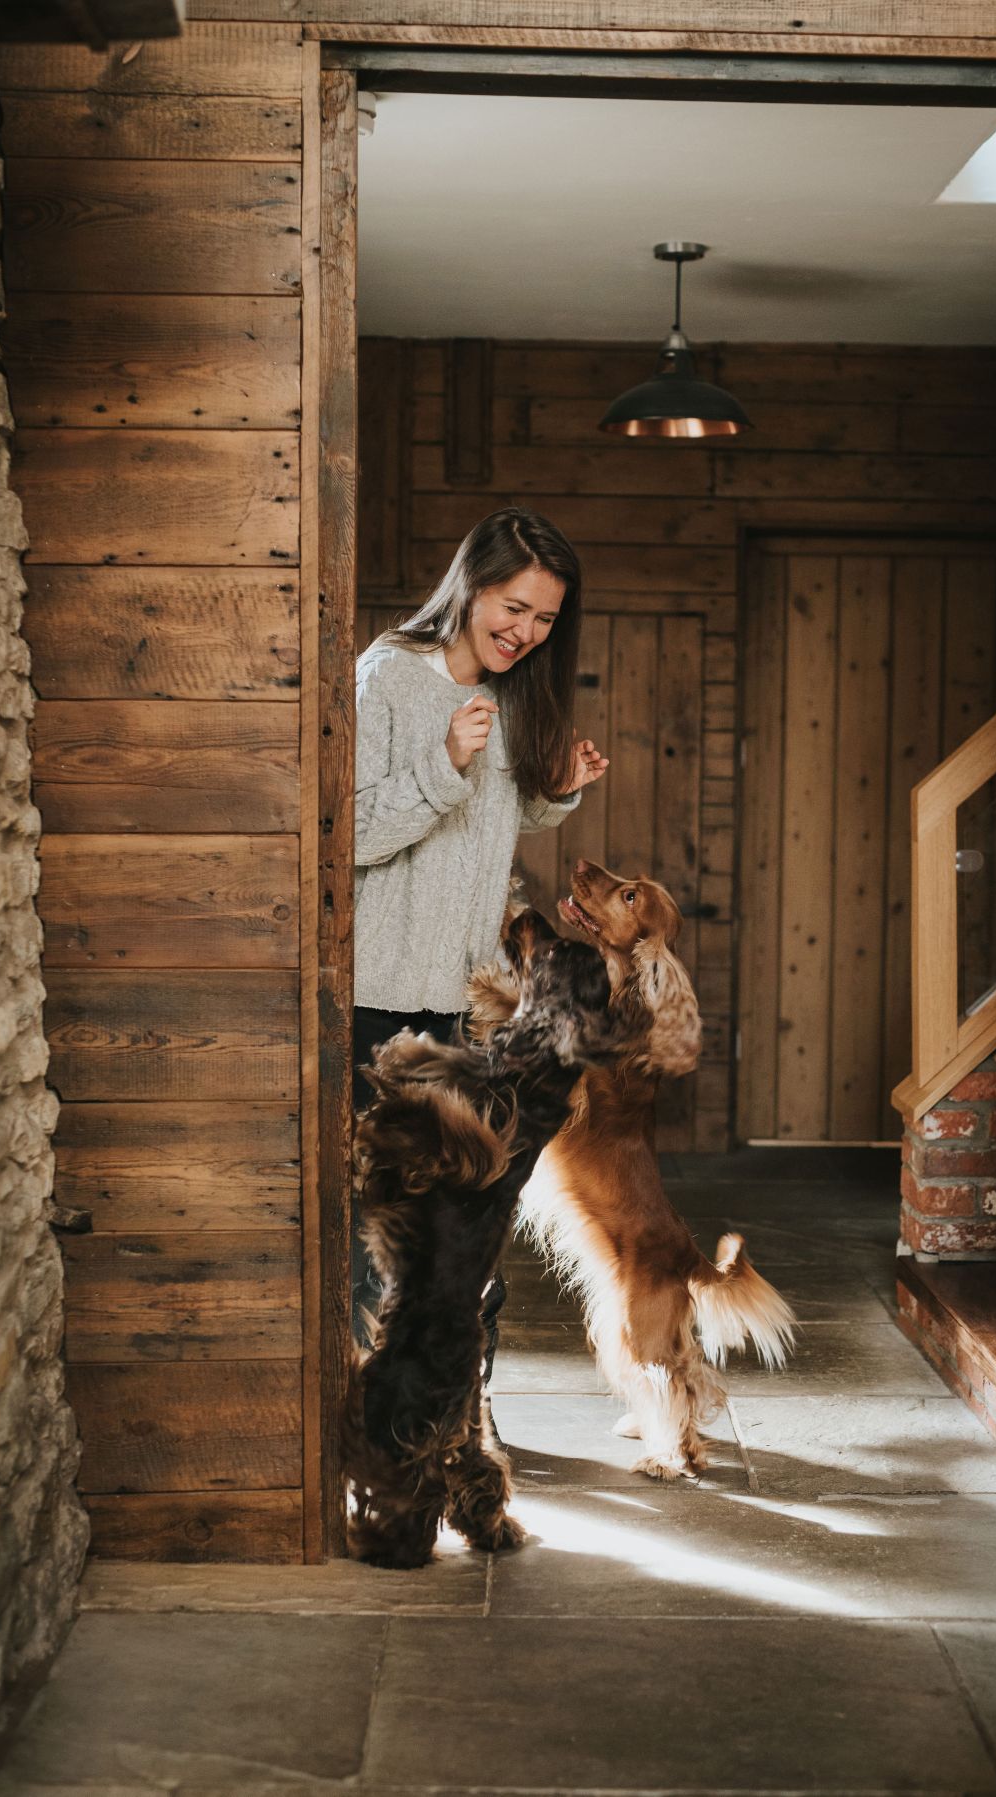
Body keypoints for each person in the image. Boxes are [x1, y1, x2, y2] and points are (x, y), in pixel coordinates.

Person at [352, 506, 609, 1398]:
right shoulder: (385, 675)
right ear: (471, 585)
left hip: (471, 1004)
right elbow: (345, 833)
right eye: (514, 605)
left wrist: (555, 798)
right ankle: (377, 1412)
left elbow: (482, 829)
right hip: (383, 998)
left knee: (472, 1221)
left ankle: (466, 1417)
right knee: (385, 1229)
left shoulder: (512, 694)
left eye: (544, 618)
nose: (526, 631)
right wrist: (440, 763)